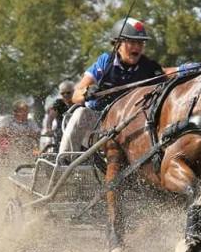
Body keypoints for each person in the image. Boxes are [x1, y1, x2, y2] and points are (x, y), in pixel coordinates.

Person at [59, 17, 163, 154]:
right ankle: (65, 159)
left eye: (140, 43)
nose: (137, 47)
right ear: (118, 44)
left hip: (131, 129)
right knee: (81, 113)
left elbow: (168, 75)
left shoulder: (149, 67)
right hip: (98, 127)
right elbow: (76, 95)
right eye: (132, 42)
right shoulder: (106, 61)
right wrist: (86, 92)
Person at [41, 81, 75, 152]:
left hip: (76, 132)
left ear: (73, 92)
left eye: (68, 93)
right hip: (62, 132)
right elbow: (50, 118)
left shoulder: (78, 102)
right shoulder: (59, 103)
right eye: (63, 93)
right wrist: (48, 129)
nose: (65, 95)